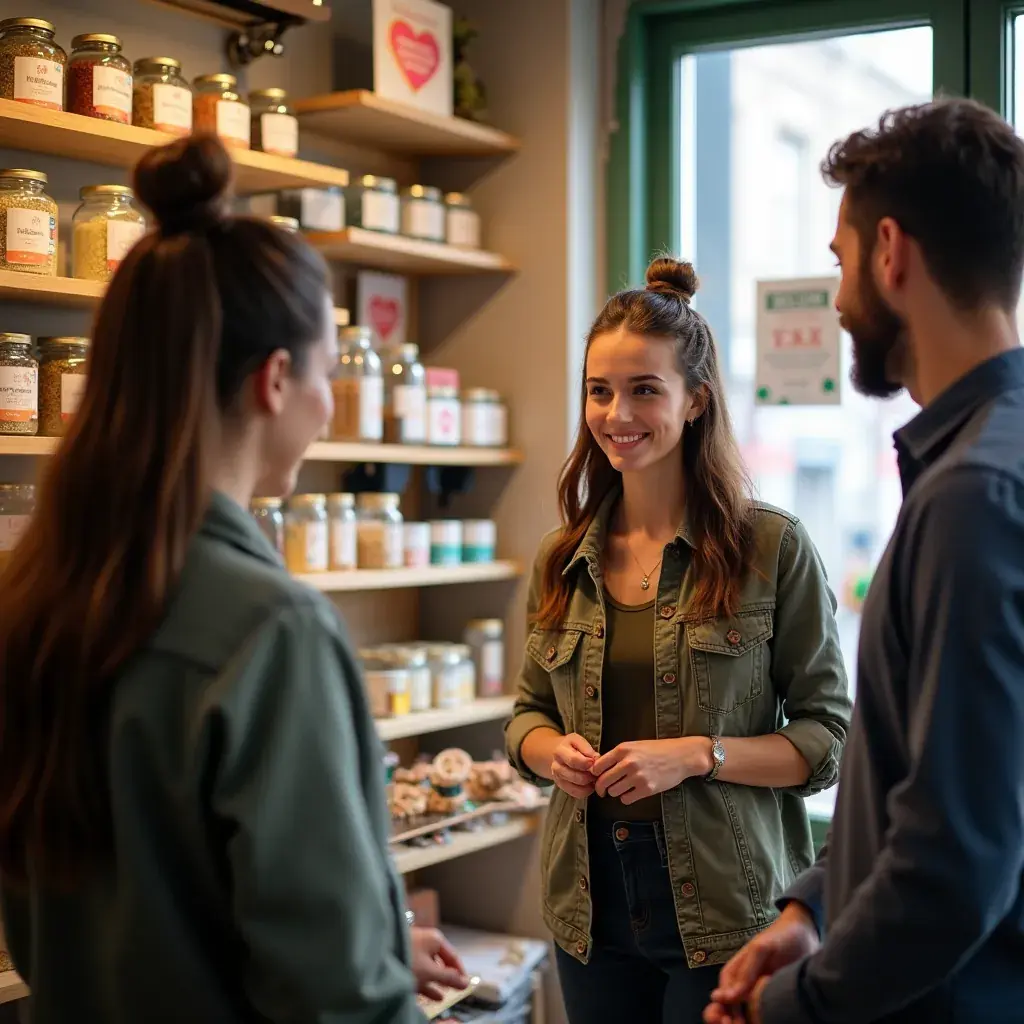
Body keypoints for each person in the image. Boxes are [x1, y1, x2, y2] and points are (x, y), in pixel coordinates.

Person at [0, 135, 467, 1023]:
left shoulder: (42, 596)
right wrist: (359, 962)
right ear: (276, 380)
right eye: (327, 371)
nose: (329, 404)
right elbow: (339, 1005)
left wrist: (371, 938)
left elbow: (118, 908)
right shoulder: (270, 629)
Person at [704, 97, 1024, 1024]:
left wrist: (793, 1005)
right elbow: (924, 772)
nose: (840, 299)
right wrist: (814, 907)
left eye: (841, 261)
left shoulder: (974, 496)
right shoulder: (986, 462)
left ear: (891, 254)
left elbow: (954, 861)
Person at [504, 256, 852, 1023]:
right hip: (588, 908)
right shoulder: (561, 556)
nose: (615, 413)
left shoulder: (771, 548)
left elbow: (827, 738)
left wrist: (699, 754)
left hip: (726, 909)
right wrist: (551, 753)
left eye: (644, 389)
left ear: (695, 400)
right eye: (598, 390)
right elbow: (526, 715)